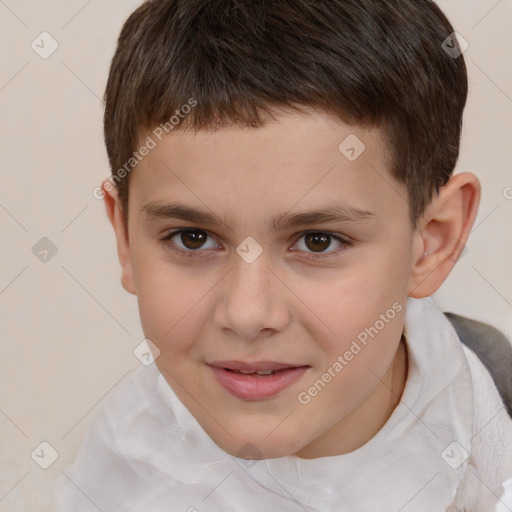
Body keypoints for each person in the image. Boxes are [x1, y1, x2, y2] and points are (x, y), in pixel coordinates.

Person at [55, 0, 512, 510]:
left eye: (318, 240)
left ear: (433, 240)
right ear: (124, 237)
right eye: (192, 238)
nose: (248, 315)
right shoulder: (114, 476)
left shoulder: (495, 422)